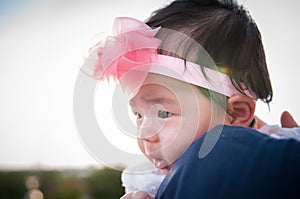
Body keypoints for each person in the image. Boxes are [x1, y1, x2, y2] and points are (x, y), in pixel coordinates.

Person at [81, 0, 300, 198]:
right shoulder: (149, 183)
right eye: (138, 115)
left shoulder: (276, 162)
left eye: (164, 113)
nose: (145, 134)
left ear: (235, 113)